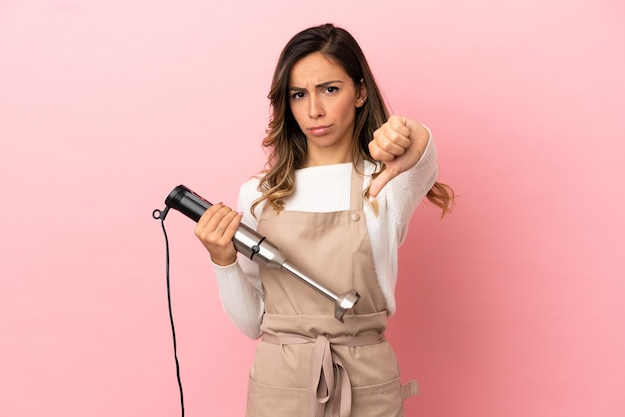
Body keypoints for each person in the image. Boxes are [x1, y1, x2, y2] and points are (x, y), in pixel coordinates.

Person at [194, 23, 454, 417]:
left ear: (360, 91)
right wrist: (222, 260)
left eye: (330, 89)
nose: (314, 110)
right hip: (280, 386)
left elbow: (425, 157)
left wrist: (409, 134)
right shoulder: (259, 195)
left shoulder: (385, 182)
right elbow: (252, 325)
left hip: (366, 384)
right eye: (299, 94)